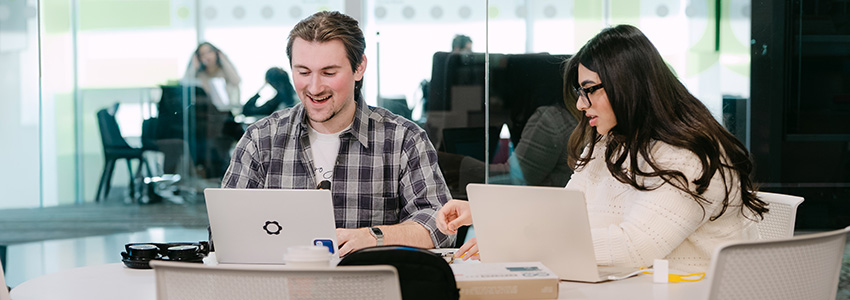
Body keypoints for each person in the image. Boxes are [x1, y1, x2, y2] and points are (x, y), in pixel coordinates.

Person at [437, 24, 768, 272]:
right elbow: (566, 212)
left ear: (628, 87)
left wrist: (514, 243)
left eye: (589, 90)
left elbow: (634, 247)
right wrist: (487, 215)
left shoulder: (689, 157)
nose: (581, 104)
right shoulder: (607, 142)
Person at [221, 11, 455, 255]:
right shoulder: (261, 139)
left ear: (359, 68)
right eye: (303, 72)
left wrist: (373, 236)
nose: (314, 87)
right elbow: (224, 228)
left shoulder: (403, 139)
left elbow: (441, 226)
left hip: (368, 286)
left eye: (329, 73)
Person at [183, 42, 242, 112]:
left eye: (209, 52)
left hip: (227, 111)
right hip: (206, 112)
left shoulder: (224, 71)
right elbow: (185, 87)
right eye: (202, 54)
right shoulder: (200, 75)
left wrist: (223, 58)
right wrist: (193, 67)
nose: (207, 56)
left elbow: (236, 81)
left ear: (216, 53)